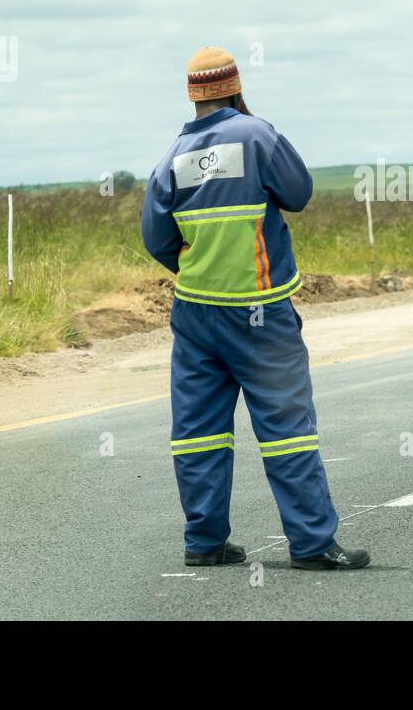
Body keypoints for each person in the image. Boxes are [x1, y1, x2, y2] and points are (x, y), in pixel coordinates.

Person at [141, 45, 369, 571]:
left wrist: (202, 268)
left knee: (198, 433)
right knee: (287, 428)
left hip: (196, 314)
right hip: (260, 311)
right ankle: (312, 544)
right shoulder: (258, 134)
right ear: (236, 87)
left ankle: (205, 543)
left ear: (192, 95)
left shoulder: (172, 156)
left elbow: (157, 238)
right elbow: (299, 193)